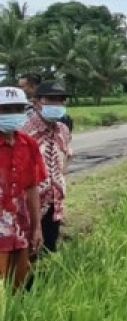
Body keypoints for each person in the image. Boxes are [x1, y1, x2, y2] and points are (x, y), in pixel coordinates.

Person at [0, 85, 45, 291]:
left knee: (18, 286)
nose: (12, 115)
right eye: (5, 110)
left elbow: (32, 188)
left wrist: (36, 227)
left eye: (17, 109)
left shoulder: (28, 144)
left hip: (20, 228)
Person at [24, 82, 73, 253]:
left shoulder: (63, 130)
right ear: (37, 102)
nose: (57, 105)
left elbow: (67, 156)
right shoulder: (24, 131)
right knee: (28, 253)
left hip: (54, 202)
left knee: (49, 249)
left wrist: (59, 181)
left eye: (61, 100)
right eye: (51, 100)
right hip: (28, 204)